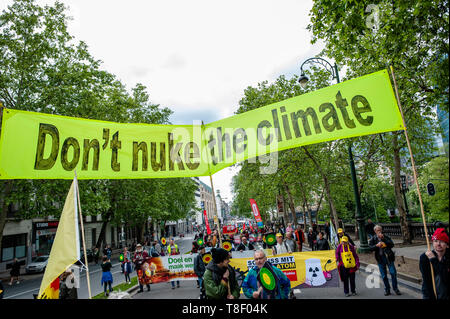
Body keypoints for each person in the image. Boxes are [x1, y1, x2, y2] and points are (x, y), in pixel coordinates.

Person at [368, 225, 401, 296]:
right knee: (384, 276)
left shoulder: (386, 237)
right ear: (375, 231)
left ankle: (395, 288)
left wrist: (384, 240)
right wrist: (376, 246)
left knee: (393, 273)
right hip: (380, 259)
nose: (379, 231)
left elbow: (392, 245)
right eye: (377, 230)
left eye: (380, 230)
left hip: (388, 258)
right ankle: (387, 289)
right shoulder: (373, 239)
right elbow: (370, 248)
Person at [419, 228, 449, 299]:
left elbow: (446, 276)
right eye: (436, 241)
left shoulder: (447, 258)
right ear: (432, 242)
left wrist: (434, 260)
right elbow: (426, 278)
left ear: (447, 245)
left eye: (442, 241)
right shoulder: (424, 257)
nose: (438, 244)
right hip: (430, 294)